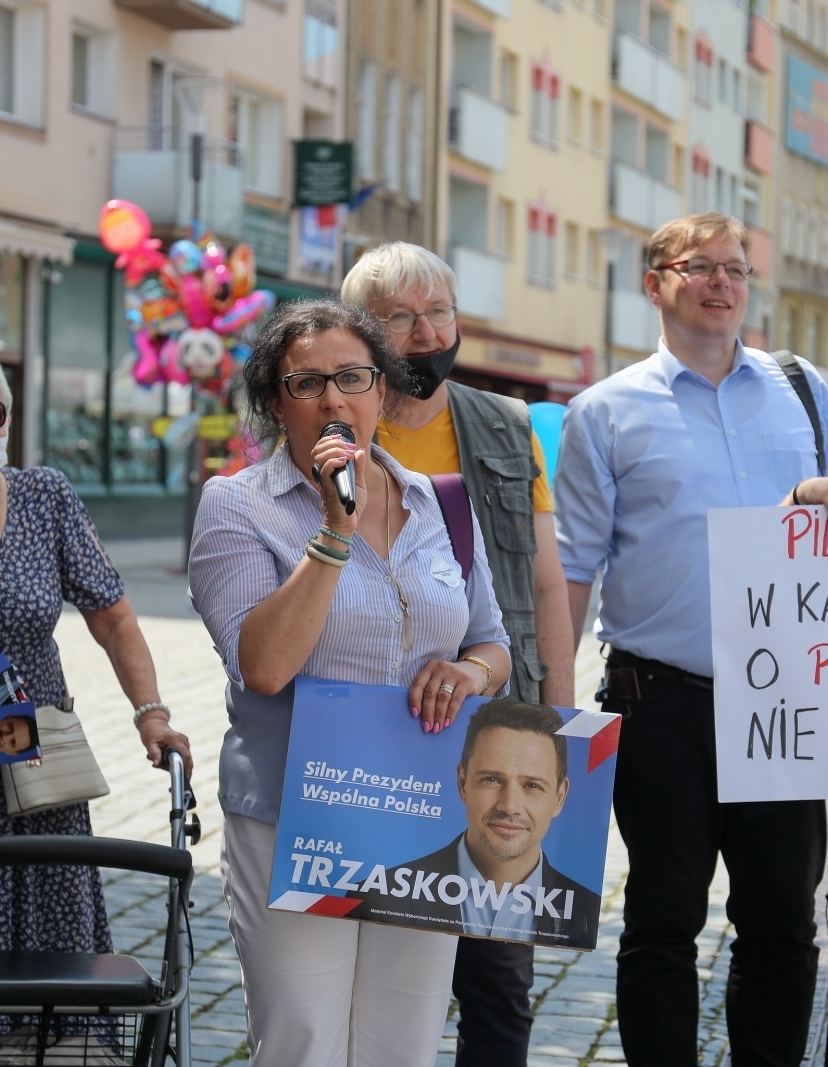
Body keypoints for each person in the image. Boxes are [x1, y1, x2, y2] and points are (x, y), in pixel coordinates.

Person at [553, 212, 828, 1066]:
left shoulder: (800, 392)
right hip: (662, 701)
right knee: (661, 920)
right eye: (701, 267)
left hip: (783, 702)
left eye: (736, 269)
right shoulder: (604, 411)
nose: (724, 282)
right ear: (654, 282)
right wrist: (549, 713)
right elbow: (573, 569)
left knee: (781, 921)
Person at [189, 299, 512, 1067]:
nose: (333, 398)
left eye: (352, 377)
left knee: (402, 1046)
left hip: (418, 812)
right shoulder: (237, 507)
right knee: (304, 1043)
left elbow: (493, 642)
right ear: (275, 401)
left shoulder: (444, 503)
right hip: (296, 815)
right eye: (307, 382)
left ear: (381, 390)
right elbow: (262, 664)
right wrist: (335, 531)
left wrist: (466, 671)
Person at [0, 328, 192, 1047]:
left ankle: (47, 1049)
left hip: (33, 754)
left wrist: (150, 712)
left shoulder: (42, 495)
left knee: (54, 913)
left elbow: (115, 616)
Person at [341, 241, 575, 1067]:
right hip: (366, 734)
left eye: (438, 312)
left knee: (496, 976)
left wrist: (560, 718)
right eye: (400, 317)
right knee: (370, 968)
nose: (424, 332)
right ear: (361, 333)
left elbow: (546, 585)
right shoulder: (328, 425)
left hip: (492, 720)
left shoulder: (507, 428)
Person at [348, 699, 601, 947]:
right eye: (492, 779)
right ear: (462, 783)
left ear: (559, 797)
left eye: (532, 785)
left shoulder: (585, 909)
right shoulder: (379, 894)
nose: (509, 806)